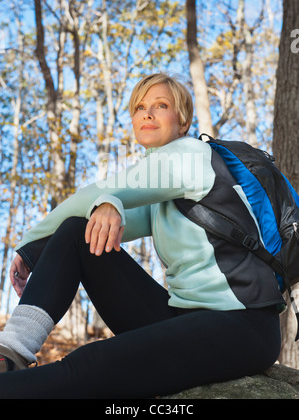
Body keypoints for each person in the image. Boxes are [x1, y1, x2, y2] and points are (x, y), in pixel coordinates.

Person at [0, 73, 285, 399]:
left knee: (90, 364)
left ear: (183, 121)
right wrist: (105, 206)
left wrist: (30, 241)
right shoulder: (157, 185)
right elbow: (92, 213)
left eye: (161, 105)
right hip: (182, 317)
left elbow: (99, 191)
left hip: (242, 327)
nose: (147, 114)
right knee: (80, 233)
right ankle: (10, 354)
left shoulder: (191, 156)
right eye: (140, 107)